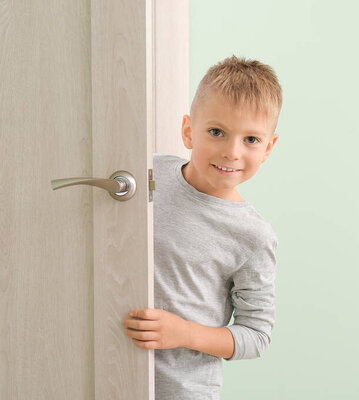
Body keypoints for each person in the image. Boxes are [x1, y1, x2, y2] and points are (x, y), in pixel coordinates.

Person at [121, 55, 281, 399]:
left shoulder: (253, 236)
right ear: (188, 130)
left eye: (251, 139)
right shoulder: (150, 174)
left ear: (269, 147)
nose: (232, 152)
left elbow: (256, 336)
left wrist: (184, 333)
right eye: (216, 132)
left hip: (183, 389)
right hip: (114, 371)